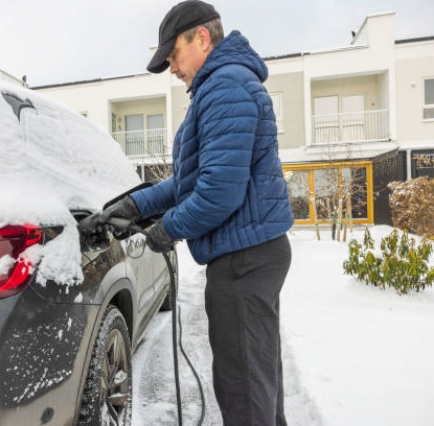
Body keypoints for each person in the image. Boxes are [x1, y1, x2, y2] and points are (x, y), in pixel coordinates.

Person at [95, 1, 295, 425]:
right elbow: (190, 182)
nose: (172, 67)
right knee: (255, 381)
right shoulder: (221, 86)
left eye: (174, 56)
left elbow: (219, 192)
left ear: (202, 38)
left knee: (244, 390)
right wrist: (135, 206)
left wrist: (166, 230)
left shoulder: (225, 87)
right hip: (249, 253)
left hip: (245, 259)